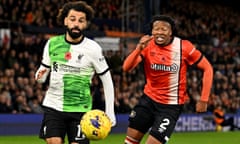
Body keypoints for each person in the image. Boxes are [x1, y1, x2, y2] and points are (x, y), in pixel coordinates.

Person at [122, 15, 213, 144]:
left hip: (170, 107)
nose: (159, 32)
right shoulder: (147, 45)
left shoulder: (184, 47)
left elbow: (208, 68)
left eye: (164, 29)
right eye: (156, 29)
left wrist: (204, 99)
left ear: (170, 32)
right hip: (148, 101)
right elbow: (126, 68)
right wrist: (138, 48)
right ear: (152, 31)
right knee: (130, 141)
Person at [35, 1, 116, 144]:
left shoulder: (93, 48)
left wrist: (110, 111)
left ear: (85, 24)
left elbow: (107, 80)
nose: (76, 24)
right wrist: (39, 76)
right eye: (72, 19)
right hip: (54, 106)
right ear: (65, 21)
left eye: (81, 20)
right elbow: (43, 71)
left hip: (81, 110)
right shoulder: (52, 43)